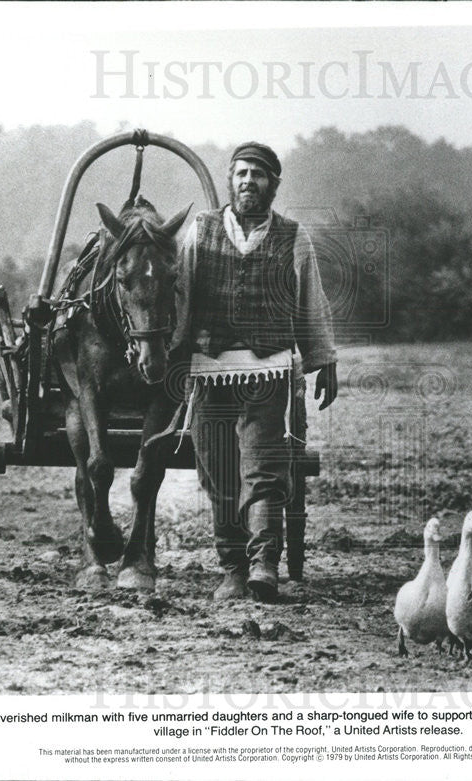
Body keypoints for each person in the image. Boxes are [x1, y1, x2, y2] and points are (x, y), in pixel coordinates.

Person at [172, 141, 338, 602]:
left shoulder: (293, 237)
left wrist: (323, 360)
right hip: (209, 374)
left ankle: (265, 565)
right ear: (230, 180)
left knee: (263, 471)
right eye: (241, 173)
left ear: (273, 185)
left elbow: (311, 303)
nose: (249, 181)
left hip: (268, 374)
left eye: (258, 175)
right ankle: (232, 568)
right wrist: (170, 357)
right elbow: (181, 300)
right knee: (219, 473)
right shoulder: (200, 232)